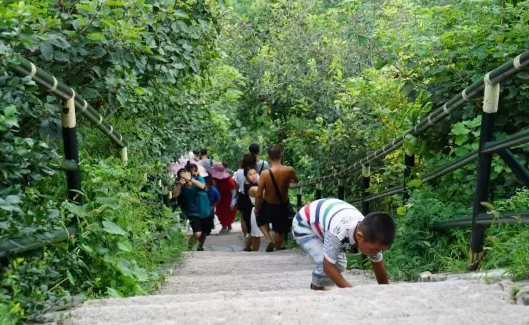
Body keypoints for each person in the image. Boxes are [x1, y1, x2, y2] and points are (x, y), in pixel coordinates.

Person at [293, 198, 395, 290]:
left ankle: (319, 285)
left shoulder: (371, 234)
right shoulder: (339, 232)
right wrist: (352, 292)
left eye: (380, 250)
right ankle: (317, 287)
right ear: (359, 236)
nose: (376, 253)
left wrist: (385, 291)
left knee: (340, 266)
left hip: (326, 225)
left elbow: (378, 264)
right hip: (304, 224)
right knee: (325, 263)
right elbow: (327, 266)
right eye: (374, 250)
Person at [254, 146, 299, 252]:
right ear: (281, 155)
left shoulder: (265, 174)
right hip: (282, 204)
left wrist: (256, 208)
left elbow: (259, 194)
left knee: (260, 220)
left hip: (268, 203)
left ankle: (269, 241)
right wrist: (287, 181)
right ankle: (278, 248)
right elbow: (296, 180)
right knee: (279, 229)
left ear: (268, 157)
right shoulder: (289, 170)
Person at [172, 164, 211, 251]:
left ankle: (200, 247)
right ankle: (189, 249)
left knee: (204, 232)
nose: (185, 176)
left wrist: (190, 179)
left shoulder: (199, 179)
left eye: (185, 174)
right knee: (197, 233)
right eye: (182, 175)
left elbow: (202, 186)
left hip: (205, 210)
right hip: (192, 212)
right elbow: (174, 195)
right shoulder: (182, 185)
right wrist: (180, 185)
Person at [234, 153, 258, 237]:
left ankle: (246, 234)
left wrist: (235, 197)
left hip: (242, 196)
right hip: (252, 197)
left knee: (243, 217)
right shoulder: (254, 172)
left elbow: (236, 186)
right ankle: (252, 233)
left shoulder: (239, 172)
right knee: (252, 216)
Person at [210, 163, 237, 233]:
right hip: (220, 199)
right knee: (220, 212)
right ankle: (225, 226)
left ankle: (227, 226)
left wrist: (232, 204)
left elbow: (234, 193)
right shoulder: (215, 180)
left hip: (228, 200)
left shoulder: (229, 180)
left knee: (227, 213)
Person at [243, 168, 263, 251]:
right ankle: (255, 251)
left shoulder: (252, 184)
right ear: (246, 176)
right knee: (256, 234)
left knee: (254, 232)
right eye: (250, 174)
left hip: (254, 210)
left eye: (254, 173)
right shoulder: (252, 187)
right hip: (256, 209)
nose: (253, 176)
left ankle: (248, 248)